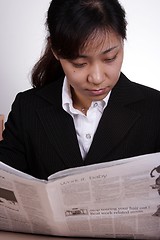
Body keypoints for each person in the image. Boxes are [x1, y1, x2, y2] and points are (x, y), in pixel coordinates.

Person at [0, 0, 160, 180]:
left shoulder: (156, 109)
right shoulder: (27, 108)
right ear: (55, 50)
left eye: (109, 58)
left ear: (122, 41)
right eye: (80, 64)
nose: (97, 78)